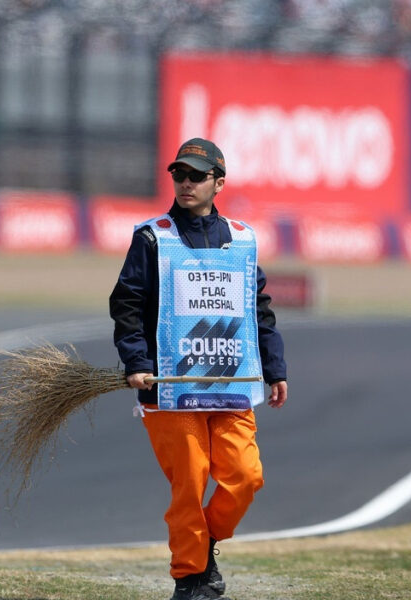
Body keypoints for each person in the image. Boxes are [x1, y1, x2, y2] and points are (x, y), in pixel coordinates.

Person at [110, 137, 288, 600]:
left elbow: (258, 310)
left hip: (233, 384)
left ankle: (205, 541)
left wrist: (275, 368)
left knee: (246, 477)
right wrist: (136, 363)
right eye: (179, 175)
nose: (185, 183)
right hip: (170, 389)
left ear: (219, 183)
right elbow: (127, 305)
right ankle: (190, 578)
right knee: (188, 484)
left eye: (196, 176)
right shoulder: (153, 236)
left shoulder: (244, 238)